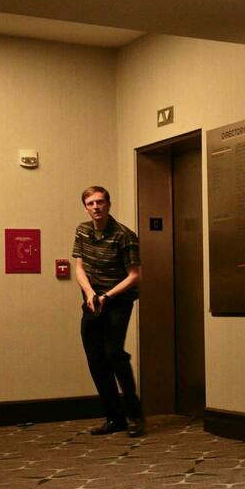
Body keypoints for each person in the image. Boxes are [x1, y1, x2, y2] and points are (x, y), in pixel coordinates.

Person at [73, 186, 144, 438]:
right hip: (92, 299)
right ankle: (114, 418)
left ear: (108, 204)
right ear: (85, 207)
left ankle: (134, 415)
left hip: (118, 300)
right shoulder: (82, 230)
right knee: (96, 358)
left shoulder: (124, 235)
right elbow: (79, 267)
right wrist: (90, 293)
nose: (96, 207)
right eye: (91, 203)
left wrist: (106, 296)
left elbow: (135, 275)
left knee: (114, 354)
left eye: (100, 202)